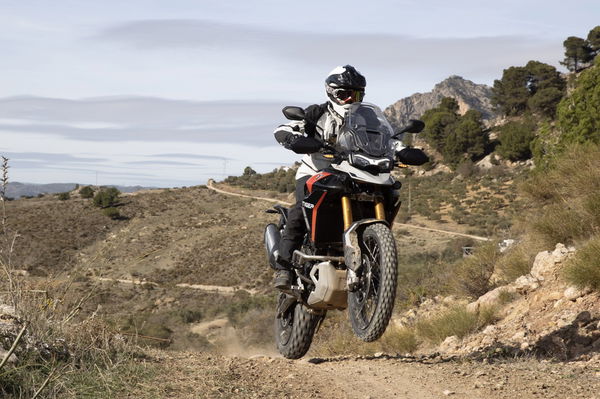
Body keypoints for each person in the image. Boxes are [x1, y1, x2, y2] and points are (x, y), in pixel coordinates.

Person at [272, 65, 428, 290]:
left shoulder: (368, 118)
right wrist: (292, 138)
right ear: (331, 92)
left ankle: (374, 261)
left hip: (354, 170)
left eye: (355, 95)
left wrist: (402, 151)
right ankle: (284, 268)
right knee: (299, 211)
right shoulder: (317, 113)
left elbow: (388, 140)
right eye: (344, 94)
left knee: (389, 192)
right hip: (316, 172)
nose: (349, 99)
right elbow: (286, 128)